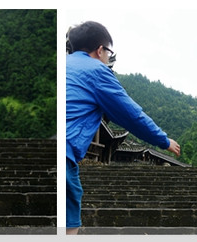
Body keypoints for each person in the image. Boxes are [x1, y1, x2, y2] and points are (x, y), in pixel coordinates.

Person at [65, 21, 181, 235]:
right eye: (109, 52)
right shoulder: (97, 70)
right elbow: (131, 115)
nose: (108, 57)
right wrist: (164, 140)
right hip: (63, 154)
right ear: (100, 50)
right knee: (69, 225)